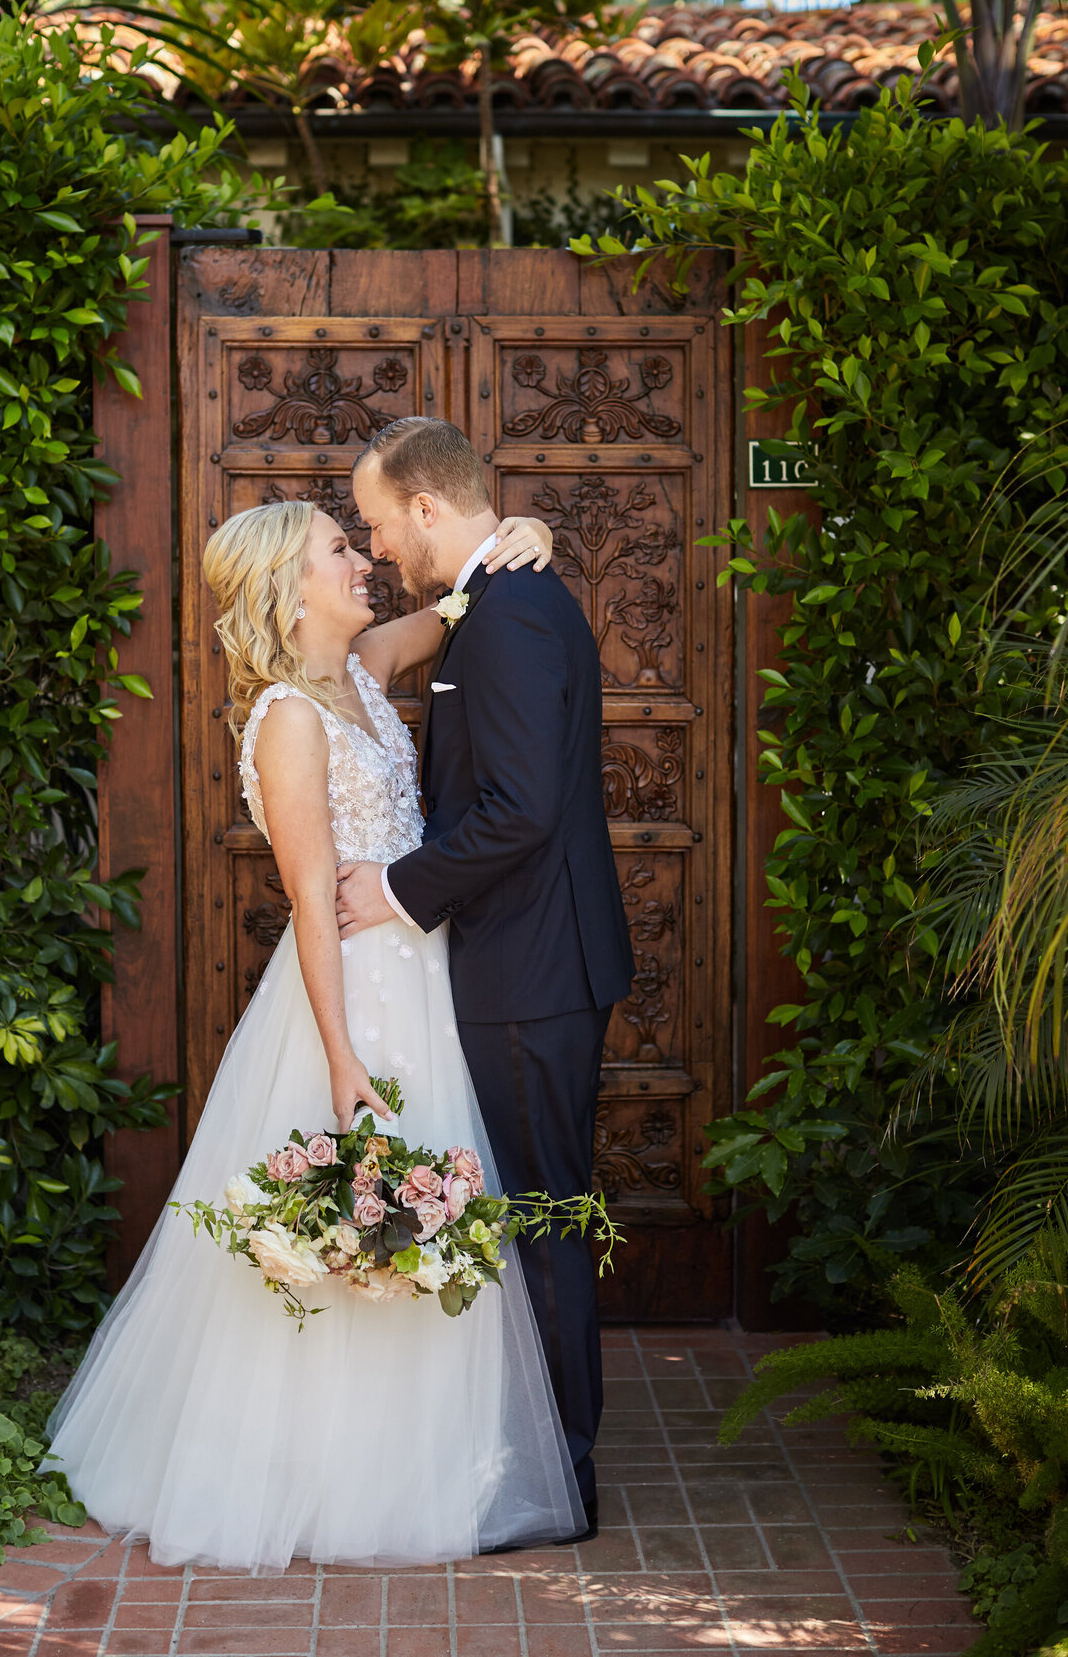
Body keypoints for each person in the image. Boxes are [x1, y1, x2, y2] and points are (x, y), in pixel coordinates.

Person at [44, 497, 589, 1571]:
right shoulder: (290, 720)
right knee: (363, 1224)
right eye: (339, 550)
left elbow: (461, 600)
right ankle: (333, 1475)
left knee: (443, 1214)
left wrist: (529, 534)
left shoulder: (367, 669)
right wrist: (341, 1058)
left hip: (434, 984)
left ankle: (440, 1456)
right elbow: (310, 905)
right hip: (353, 1001)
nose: (363, 559)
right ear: (290, 593)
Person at [337, 418, 635, 1537]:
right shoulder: (498, 600)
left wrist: (400, 891)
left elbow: (517, 809)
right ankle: (545, 1452)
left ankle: (562, 1478)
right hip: (533, 958)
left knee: (546, 1220)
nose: (376, 548)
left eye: (378, 522)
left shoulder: (511, 616)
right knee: (533, 1211)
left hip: (532, 966)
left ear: (425, 505)